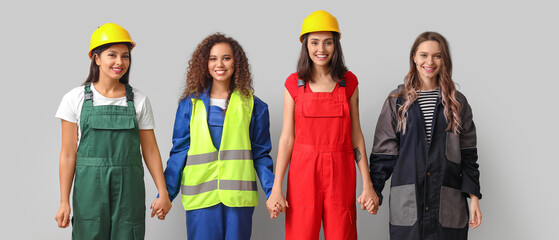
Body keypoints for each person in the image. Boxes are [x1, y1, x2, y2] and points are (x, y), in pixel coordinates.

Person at [266, 10, 379, 239]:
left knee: (342, 234)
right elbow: (287, 138)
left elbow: (356, 135)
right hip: (303, 173)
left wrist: (367, 184)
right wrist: (276, 187)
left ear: (336, 45)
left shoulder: (349, 82)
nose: (321, 49)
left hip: (341, 171)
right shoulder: (293, 83)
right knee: (300, 233)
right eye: (315, 42)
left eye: (328, 42)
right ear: (305, 45)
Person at [54, 23, 172, 239]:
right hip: (89, 188)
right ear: (96, 58)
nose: (120, 62)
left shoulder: (139, 100)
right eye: (112, 55)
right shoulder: (75, 98)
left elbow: (151, 151)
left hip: (129, 187)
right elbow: (68, 153)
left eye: (125, 56)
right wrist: (64, 201)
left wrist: (163, 192)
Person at [159, 33, 274, 240]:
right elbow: (179, 153)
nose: (219, 64)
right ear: (205, 63)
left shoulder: (254, 106)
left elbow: (261, 154)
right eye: (213, 58)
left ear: (236, 62)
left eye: (226, 58)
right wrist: (165, 194)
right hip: (201, 199)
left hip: (238, 200)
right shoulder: (190, 105)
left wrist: (272, 192)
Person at [369, 31, 482, 240]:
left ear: (444, 59)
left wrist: (473, 197)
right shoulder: (397, 102)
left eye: (437, 56)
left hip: (447, 204)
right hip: (408, 205)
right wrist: (374, 191)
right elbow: (384, 155)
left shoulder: (458, 103)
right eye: (423, 55)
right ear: (414, 57)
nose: (430, 61)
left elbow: (468, 155)